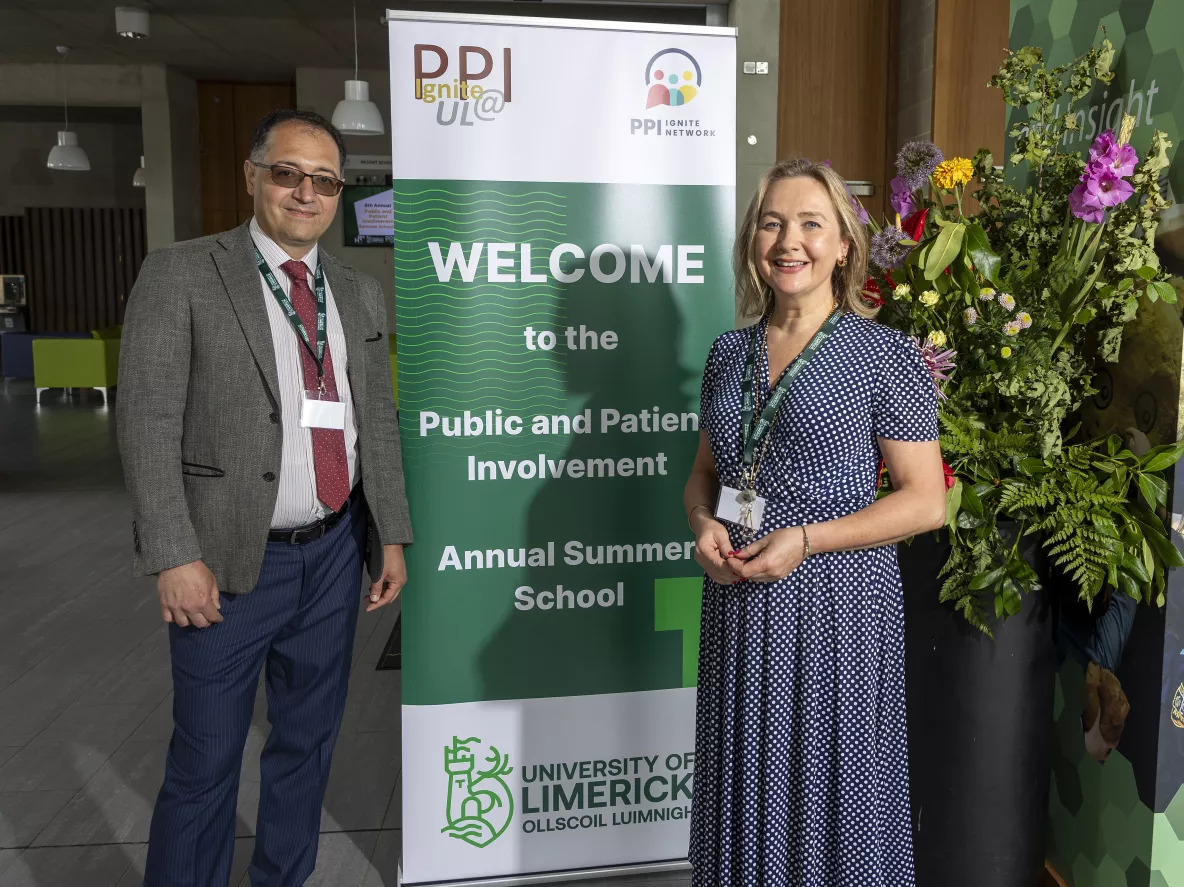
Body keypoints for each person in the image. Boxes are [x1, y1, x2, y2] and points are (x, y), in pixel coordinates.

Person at [116, 109, 411, 887]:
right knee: (206, 761)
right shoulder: (182, 272)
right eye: (288, 173)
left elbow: (373, 420)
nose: (306, 193)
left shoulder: (357, 291)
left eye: (324, 180)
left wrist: (390, 533)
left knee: (305, 748)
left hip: (334, 554)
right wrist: (174, 553)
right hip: (225, 563)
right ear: (253, 177)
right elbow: (145, 418)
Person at [683, 157, 946, 885]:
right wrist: (705, 522)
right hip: (738, 603)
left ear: (841, 245)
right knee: (746, 781)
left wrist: (808, 538)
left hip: (838, 610)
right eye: (772, 222)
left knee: (836, 792)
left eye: (809, 224)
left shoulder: (885, 354)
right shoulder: (726, 354)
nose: (787, 240)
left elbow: (927, 499)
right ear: (752, 242)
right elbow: (703, 474)